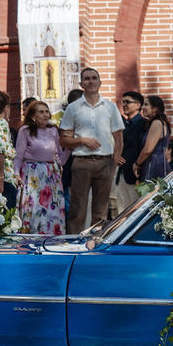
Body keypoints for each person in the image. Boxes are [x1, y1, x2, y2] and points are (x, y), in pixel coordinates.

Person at [59, 68, 124, 231]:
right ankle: (74, 243)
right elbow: (63, 139)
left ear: (100, 83)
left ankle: (96, 244)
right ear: (81, 84)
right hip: (81, 161)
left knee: (101, 210)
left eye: (94, 78)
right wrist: (82, 140)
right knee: (77, 209)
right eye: (87, 79)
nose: (91, 81)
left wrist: (115, 160)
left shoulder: (110, 107)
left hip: (105, 162)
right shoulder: (73, 108)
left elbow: (119, 137)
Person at [13, 100, 67, 235]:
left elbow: (59, 155)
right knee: (34, 208)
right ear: (33, 116)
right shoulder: (25, 131)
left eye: (47, 111)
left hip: (51, 174)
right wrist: (16, 174)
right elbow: (18, 155)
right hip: (33, 173)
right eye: (41, 112)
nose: (45, 115)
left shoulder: (53, 130)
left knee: (51, 210)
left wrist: (70, 149)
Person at [115, 91, 147, 213]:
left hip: (135, 175)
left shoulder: (143, 123)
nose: (124, 105)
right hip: (121, 173)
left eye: (127, 102)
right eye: (123, 102)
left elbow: (143, 149)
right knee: (121, 212)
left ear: (138, 105)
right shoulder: (124, 125)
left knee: (136, 211)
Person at [135, 95, 172, 183]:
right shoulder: (160, 123)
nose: (142, 107)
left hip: (154, 166)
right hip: (158, 163)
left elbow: (148, 149)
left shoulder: (157, 123)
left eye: (146, 104)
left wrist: (137, 164)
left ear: (155, 108)